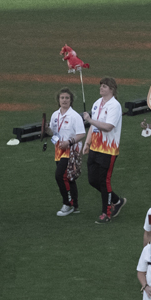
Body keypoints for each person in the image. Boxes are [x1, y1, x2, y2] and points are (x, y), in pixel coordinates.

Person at [83, 77, 126, 223]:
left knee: (104, 181)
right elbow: (93, 127)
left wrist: (89, 120)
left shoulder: (115, 106)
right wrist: (87, 143)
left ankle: (106, 213)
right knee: (92, 180)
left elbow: (108, 127)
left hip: (108, 149)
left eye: (105, 86)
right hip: (95, 147)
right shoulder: (97, 103)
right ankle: (116, 200)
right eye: (101, 86)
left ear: (112, 89)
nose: (101, 88)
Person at [49, 87, 86, 216]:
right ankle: (75, 205)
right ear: (58, 100)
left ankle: (67, 204)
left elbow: (81, 134)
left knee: (60, 176)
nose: (64, 100)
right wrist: (47, 133)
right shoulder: (55, 115)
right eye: (62, 98)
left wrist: (69, 142)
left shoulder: (75, 116)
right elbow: (54, 133)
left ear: (71, 100)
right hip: (59, 151)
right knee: (69, 178)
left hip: (71, 150)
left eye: (67, 98)